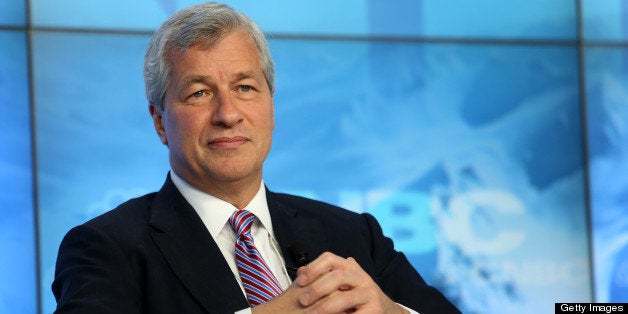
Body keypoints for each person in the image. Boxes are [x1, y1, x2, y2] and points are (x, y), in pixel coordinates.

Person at [52, 2, 460, 313]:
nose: (228, 114)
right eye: (199, 93)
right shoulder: (105, 247)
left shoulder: (353, 234)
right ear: (160, 122)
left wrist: (390, 310)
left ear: (271, 107)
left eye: (245, 88)